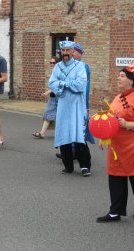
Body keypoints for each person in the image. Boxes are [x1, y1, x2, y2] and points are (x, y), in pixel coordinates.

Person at [96, 59, 134, 223]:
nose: (118, 78)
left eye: (122, 76)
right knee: (115, 178)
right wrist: (105, 137)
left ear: (131, 80)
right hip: (117, 147)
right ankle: (115, 212)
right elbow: (111, 120)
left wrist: (127, 124)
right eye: (119, 75)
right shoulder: (117, 97)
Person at [49, 40, 91, 177]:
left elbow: (80, 85)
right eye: (63, 51)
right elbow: (52, 83)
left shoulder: (80, 66)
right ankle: (68, 166)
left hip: (76, 105)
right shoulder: (57, 67)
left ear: (73, 52)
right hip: (63, 105)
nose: (65, 53)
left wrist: (63, 84)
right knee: (63, 133)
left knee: (78, 133)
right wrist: (66, 85)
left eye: (68, 50)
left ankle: (85, 166)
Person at [55, 43, 95, 160]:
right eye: (64, 50)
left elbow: (83, 87)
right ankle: (70, 152)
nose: (68, 53)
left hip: (78, 103)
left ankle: (78, 155)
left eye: (71, 51)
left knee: (78, 128)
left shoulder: (83, 66)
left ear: (78, 52)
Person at [32, 56, 60, 138]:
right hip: (53, 97)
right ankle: (42, 133)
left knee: (50, 114)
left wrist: (47, 92)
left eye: (53, 63)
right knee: (49, 115)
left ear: (57, 63)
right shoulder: (54, 72)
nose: (51, 64)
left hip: (56, 97)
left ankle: (43, 133)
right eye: (50, 62)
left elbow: (57, 85)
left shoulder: (59, 72)